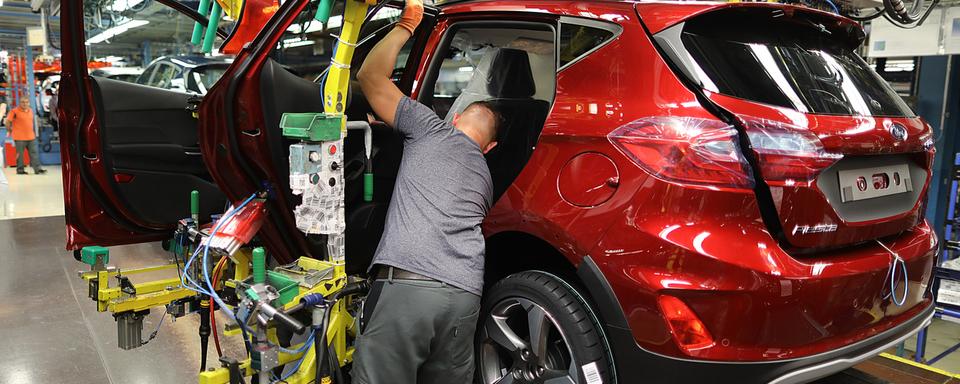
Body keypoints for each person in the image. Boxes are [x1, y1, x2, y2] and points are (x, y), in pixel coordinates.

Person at [351, 0, 502, 383]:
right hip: (464, 297)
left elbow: (370, 76)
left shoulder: (431, 128)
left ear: (453, 118)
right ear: (491, 148)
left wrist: (406, 24)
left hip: (409, 287)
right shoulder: (485, 176)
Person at [5, 98, 46, 175]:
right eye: (23, 102)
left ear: (28, 103)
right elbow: (7, 122)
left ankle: (38, 169)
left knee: (34, 153)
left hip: (31, 137)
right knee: (20, 155)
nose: (25, 104)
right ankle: (20, 170)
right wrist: (10, 131)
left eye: (26, 102)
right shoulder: (14, 111)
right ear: (19, 103)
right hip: (19, 137)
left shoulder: (30, 111)